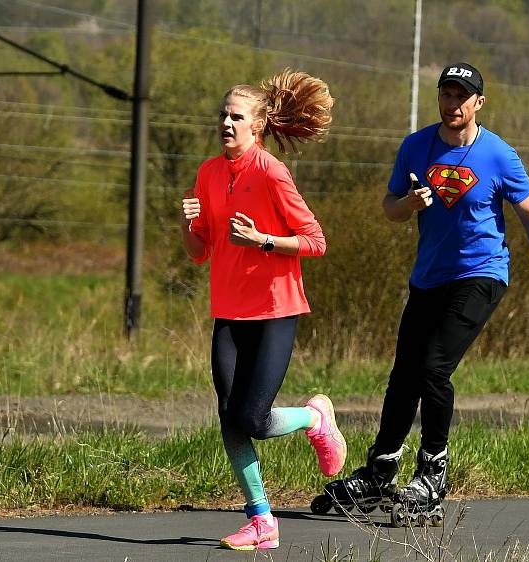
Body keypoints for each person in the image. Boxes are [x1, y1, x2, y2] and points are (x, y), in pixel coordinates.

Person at [323, 62, 529, 521]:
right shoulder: (416, 147)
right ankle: (380, 470)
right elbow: (390, 209)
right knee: (404, 374)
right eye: (446, 95)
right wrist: (409, 203)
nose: (452, 104)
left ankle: (433, 472)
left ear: (479, 102)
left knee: (434, 368)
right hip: (428, 278)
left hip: (481, 274)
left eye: (462, 96)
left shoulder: (499, 155)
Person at [180, 69, 347, 551]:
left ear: (258, 126)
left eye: (237, 117)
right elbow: (199, 252)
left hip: (274, 310)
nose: (227, 124)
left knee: (253, 418)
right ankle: (261, 520)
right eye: (223, 116)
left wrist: (264, 240)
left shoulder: (272, 172)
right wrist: (187, 226)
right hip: (229, 313)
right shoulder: (209, 173)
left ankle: (315, 419)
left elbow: (316, 241)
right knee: (229, 417)